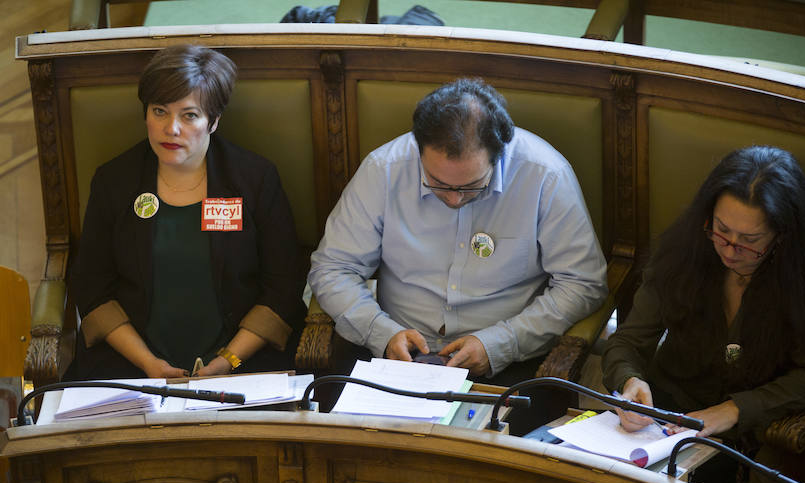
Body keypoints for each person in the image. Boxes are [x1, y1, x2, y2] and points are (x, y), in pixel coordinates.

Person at [309, 78, 608, 433]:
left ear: (499, 152)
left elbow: (583, 283)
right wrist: (381, 332)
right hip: (395, 357)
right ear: (418, 147)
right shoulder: (384, 169)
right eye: (436, 183)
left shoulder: (544, 175)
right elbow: (332, 269)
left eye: (470, 186)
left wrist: (501, 343)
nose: (453, 199)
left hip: (509, 362)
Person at [69, 45, 303, 380]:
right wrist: (148, 365)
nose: (171, 129)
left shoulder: (255, 179)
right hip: (132, 364)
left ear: (214, 121)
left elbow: (283, 287)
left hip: (244, 362)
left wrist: (227, 362)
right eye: (160, 111)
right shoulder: (114, 181)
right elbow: (92, 287)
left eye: (189, 115)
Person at [602, 146, 805, 448]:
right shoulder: (681, 254)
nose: (729, 251)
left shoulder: (804, 275)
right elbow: (627, 342)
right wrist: (629, 381)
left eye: (750, 241)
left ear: (782, 235)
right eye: (721, 230)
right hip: (664, 415)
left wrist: (735, 409)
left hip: (750, 433)